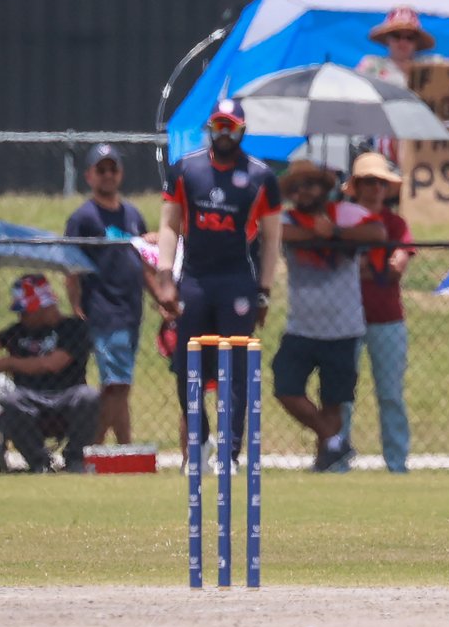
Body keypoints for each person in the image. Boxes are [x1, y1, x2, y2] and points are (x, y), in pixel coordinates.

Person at [147, 98, 282, 472]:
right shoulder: (186, 170)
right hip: (194, 280)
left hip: (237, 281)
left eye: (231, 127)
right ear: (209, 128)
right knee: (186, 365)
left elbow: (272, 238)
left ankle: (230, 453)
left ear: (242, 130)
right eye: (218, 126)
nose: (224, 134)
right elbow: (169, 225)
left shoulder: (261, 177)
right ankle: (201, 439)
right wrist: (165, 277)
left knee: (235, 369)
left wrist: (264, 290)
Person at [273, 160, 386, 471]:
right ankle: (335, 441)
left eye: (310, 185)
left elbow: (378, 232)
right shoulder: (287, 218)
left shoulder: (347, 214)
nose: (304, 192)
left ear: (325, 189)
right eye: (297, 188)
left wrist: (335, 231)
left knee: (333, 400)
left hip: (343, 327)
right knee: (285, 388)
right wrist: (317, 232)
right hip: (301, 327)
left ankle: (325, 460)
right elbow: (278, 232)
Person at [64, 143, 160, 446]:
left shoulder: (132, 215)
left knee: (121, 385)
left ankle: (124, 452)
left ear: (121, 173)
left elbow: (144, 264)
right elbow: (71, 268)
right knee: (116, 384)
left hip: (132, 310)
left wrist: (160, 298)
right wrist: (76, 304)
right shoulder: (83, 218)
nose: (108, 174)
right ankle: (92, 449)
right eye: (101, 169)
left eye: (113, 169)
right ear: (89, 176)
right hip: (104, 310)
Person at [0, 273, 99, 473]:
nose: (21, 316)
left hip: (67, 395)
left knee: (89, 396)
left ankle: (75, 460)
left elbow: (53, 363)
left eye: (26, 311)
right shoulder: (20, 330)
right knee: (11, 400)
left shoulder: (74, 328)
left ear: (45, 307)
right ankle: (40, 463)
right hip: (30, 398)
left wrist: (10, 363)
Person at [340, 152, 415, 473]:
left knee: (391, 395)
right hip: (344, 318)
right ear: (356, 186)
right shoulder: (342, 220)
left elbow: (395, 269)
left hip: (388, 319)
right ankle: (338, 457)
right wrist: (376, 266)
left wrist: (362, 266)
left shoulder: (396, 224)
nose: (375, 188)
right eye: (369, 181)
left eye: (381, 183)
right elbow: (339, 268)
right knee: (342, 395)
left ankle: (397, 463)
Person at [356, 6, 437, 89]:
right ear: (387, 39)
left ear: (417, 42)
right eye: (396, 36)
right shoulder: (371, 65)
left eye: (410, 38)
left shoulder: (432, 64)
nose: (403, 42)